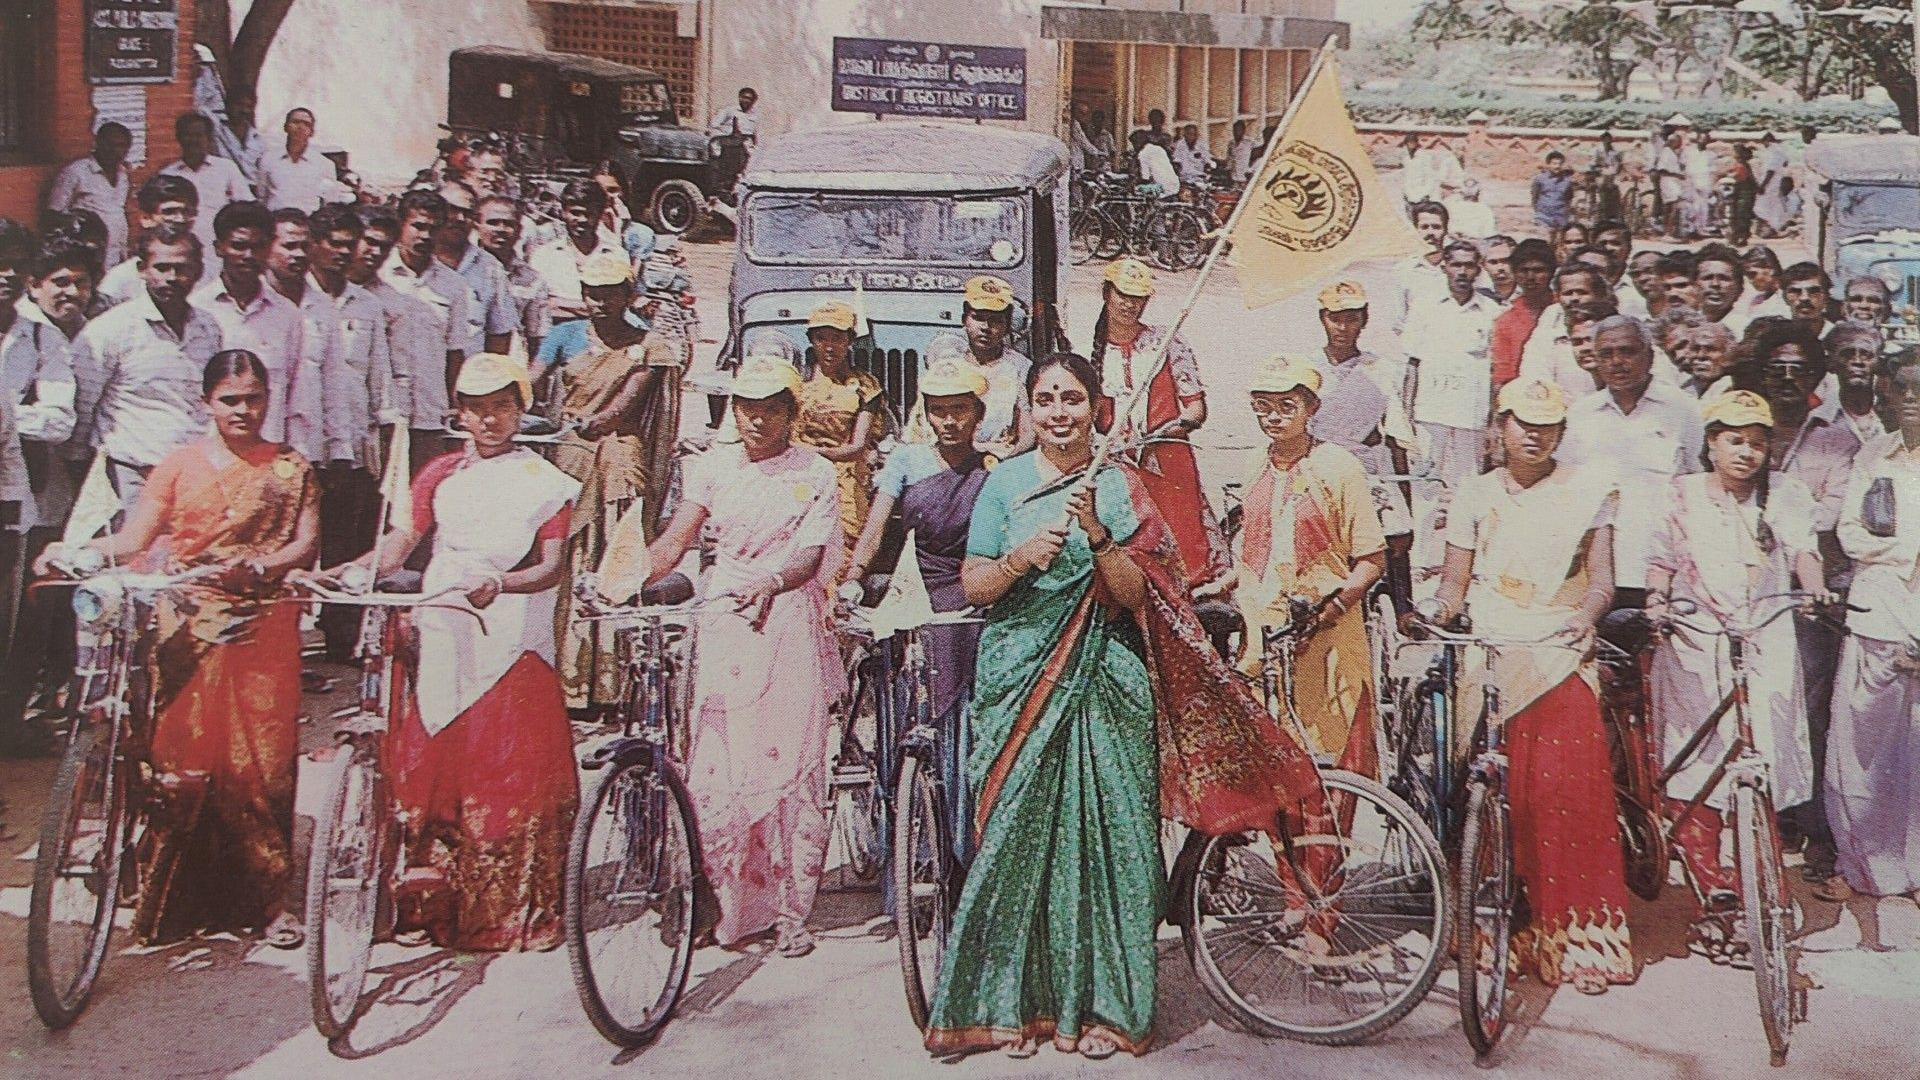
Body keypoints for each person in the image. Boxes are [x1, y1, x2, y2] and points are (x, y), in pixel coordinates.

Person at [925, 351, 1333, 1058]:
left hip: (1106, 679)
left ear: (1097, 408)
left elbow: (1136, 594)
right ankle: (1015, 1005)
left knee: (1114, 843)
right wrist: (1020, 559)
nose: (1059, 413)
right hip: (1019, 675)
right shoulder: (1005, 484)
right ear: (1029, 409)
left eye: (1072, 399)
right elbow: (976, 584)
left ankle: (1107, 1009)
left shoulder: (1119, 486)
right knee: (1017, 838)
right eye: (1046, 399)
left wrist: (1097, 535)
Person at [39, 350, 317, 946]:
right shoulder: (178, 465)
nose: (243, 410)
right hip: (186, 624)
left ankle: (268, 901)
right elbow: (135, 538)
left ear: (269, 400)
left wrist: (263, 565)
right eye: (229, 399)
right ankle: (171, 892)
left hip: (263, 626)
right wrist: (75, 552)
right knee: (179, 760)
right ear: (206, 402)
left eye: (254, 398)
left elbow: (305, 545)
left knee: (260, 763)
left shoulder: (292, 467)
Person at [322, 352, 581, 951]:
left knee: (506, 766)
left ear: (520, 410)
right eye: (477, 409)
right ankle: (430, 899)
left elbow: (551, 567)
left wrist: (501, 583)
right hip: (443, 625)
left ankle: (513, 909)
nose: (490, 420)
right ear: (459, 414)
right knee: (437, 754)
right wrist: (351, 572)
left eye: (502, 407)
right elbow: (402, 542)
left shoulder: (545, 481)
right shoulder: (439, 473)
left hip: (511, 631)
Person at [1427, 378, 1635, 994]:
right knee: (1493, 794)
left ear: (1562, 432)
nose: (1535, 435)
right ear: (1501, 426)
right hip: (1493, 649)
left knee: (1565, 793)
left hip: (1559, 650)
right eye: (1524, 423)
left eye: (1548, 426)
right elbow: (1453, 586)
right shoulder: (1474, 493)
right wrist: (1434, 613)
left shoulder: (1588, 491)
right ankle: (1494, 931)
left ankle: (1577, 941)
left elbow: (1602, 582)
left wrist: (1587, 615)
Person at [642, 355, 843, 956]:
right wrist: (622, 577)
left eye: (771, 409)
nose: (758, 420)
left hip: (785, 619)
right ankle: (721, 908)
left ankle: (789, 914)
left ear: (791, 412)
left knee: (787, 768)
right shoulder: (712, 468)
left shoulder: (815, 472)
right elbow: (676, 540)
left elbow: (809, 555)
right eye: (747, 408)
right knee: (719, 767)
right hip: (724, 620)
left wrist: (773, 583)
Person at [1646, 390, 1820, 914]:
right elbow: (1661, 561)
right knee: (1697, 751)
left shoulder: (1784, 493)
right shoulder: (1681, 494)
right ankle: (1710, 880)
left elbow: (1804, 551)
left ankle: (1759, 881)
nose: (1746, 452)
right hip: (1695, 638)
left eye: (1757, 443)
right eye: (1734, 440)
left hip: (1765, 634)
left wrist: (1814, 589)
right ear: (1711, 443)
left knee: (1760, 748)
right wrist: (1657, 602)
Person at [843, 358, 996, 855]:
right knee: (905, 708)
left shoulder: (993, 469)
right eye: (939, 410)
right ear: (925, 413)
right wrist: (853, 577)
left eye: (960, 410)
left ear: (978, 414)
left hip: (969, 597)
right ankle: (902, 833)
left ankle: (967, 841)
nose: (949, 421)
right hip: (914, 591)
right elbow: (875, 528)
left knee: (970, 720)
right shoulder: (906, 461)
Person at [536, 252, 681, 712]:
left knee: (616, 553)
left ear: (628, 295)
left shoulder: (648, 345)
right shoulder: (563, 336)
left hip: (620, 458)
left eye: (610, 293)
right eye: (592, 293)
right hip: (571, 458)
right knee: (571, 556)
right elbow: (531, 382)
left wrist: (596, 421)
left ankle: (614, 682)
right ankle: (571, 680)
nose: (600, 302)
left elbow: (624, 406)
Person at [1235, 355, 1387, 775]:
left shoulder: (1338, 467)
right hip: (1263, 629)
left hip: (1325, 628)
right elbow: (1255, 549)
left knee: (1327, 752)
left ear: (1311, 408)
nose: (1274, 417)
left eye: (1287, 406)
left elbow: (1372, 559)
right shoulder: (1253, 464)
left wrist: (1332, 608)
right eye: (1264, 406)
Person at [1828, 350, 1920, 919]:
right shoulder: (1872, 455)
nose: (1911, 399)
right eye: (1901, 388)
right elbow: (1850, 534)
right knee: (1863, 745)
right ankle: (1863, 864)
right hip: (1877, 611)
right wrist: (1907, 552)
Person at [1089, 257, 1227, 589]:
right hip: (1116, 462)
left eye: (1138, 297)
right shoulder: (1088, 350)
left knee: (1186, 545)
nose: (1129, 304)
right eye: (1123, 295)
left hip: (1167, 459)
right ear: (1107, 293)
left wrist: (1167, 431)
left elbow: (1196, 409)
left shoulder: (1166, 342)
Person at [302, 203, 397, 662]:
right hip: (302, 442)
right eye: (333, 244)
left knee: (346, 541)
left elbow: (379, 378)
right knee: (296, 543)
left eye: (348, 245)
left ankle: (340, 639)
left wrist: (381, 443)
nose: (342, 253)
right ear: (313, 246)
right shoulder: (295, 301)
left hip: (353, 443)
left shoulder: (369, 306)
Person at [71, 233, 225, 513]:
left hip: (193, 476)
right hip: (130, 475)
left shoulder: (208, 327)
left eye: (182, 269)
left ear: (199, 271)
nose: (171, 278)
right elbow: (84, 405)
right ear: (142, 269)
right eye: (162, 268)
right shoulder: (110, 329)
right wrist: (80, 467)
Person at [1560, 316, 1706, 609]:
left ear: (1650, 356)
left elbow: (1699, 486)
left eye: (1627, 351)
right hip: (1596, 572)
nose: (1617, 362)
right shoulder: (1581, 414)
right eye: (1606, 354)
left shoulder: (1684, 410)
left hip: (1662, 569)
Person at [192, 201, 305, 452]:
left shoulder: (287, 315)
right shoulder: (197, 310)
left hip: (267, 455)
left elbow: (297, 395)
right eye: (239, 246)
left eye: (258, 247)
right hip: (208, 456)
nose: (249, 256)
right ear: (219, 248)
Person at [381, 190, 471, 474]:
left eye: (433, 228)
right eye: (418, 226)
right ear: (401, 225)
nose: (425, 236)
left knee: (425, 486)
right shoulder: (378, 277)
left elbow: (455, 352)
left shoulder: (453, 285)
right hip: (385, 411)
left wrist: (455, 407)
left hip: (430, 412)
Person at [794, 300, 884, 563]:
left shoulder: (865, 387)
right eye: (821, 338)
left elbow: (857, 447)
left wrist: (810, 452)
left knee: (846, 538)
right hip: (798, 471)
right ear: (811, 340)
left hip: (844, 472)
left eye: (837, 338)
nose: (829, 346)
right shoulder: (797, 382)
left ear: (850, 341)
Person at [904, 276, 1031, 456]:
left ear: (1007, 325)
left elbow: (1028, 432)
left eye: (996, 320)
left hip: (998, 458)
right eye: (978, 318)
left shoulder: (1019, 368)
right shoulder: (946, 364)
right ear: (965, 319)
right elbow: (921, 428)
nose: (986, 327)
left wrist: (1004, 459)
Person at [96, 175, 213, 308]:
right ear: (146, 218)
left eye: (187, 212)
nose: (180, 219)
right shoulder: (120, 280)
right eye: (169, 212)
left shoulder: (207, 273)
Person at [433, 181, 515, 357]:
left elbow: (500, 335)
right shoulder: (412, 263)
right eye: (453, 210)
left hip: (469, 370)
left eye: (467, 213)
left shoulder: (490, 268)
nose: (460, 218)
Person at [526, 179, 625, 323]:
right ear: (563, 213)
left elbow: (620, 305)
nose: (582, 220)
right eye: (575, 213)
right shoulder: (543, 256)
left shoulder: (616, 255)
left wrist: (558, 303)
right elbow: (535, 306)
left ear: (600, 215)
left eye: (589, 214)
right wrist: (591, 309)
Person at [1519, 264, 1619, 402]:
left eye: (1582, 292)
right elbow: (1535, 377)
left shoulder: (1618, 328)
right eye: (1567, 293)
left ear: (1599, 294)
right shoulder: (1546, 332)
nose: (1574, 298)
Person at [160, 112, 253, 250]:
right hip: (181, 248)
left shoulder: (226, 168)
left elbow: (246, 206)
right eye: (187, 135)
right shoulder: (168, 175)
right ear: (179, 138)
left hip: (218, 247)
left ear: (209, 138)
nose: (193, 140)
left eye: (198, 135)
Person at [47, 123, 133, 267]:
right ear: (97, 143)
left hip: (117, 257)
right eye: (109, 145)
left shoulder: (123, 173)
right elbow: (53, 214)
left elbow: (118, 212)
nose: (114, 151)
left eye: (121, 146)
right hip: (88, 258)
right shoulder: (76, 171)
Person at [476, 195, 550, 358]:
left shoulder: (532, 280)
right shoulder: (463, 270)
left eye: (508, 224)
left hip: (510, 362)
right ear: (477, 226)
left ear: (519, 231)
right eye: (493, 222)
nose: (501, 229)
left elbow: (538, 336)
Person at [1492, 238, 1557, 388]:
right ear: (1515, 273)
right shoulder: (1505, 322)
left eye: (1538, 270)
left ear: (1551, 272)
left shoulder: (1565, 311)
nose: (1530, 277)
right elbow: (1503, 375)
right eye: (1524, 270)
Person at [259, 108, 348, 212]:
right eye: (295, 122)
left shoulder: (324, 164)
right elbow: (262, 197)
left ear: (312, 132)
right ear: (285, 127)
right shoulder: (268, 158)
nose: (300, 127)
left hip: (308, 220)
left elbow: (329, 202)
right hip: (275, 218)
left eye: (306, 124)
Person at [1695, 244, 1746, 335]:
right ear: (1695, 285)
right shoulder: (1686, 326)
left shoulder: (1745, 329)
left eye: (1724, 278)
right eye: (1707, 277)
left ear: (1739, 288)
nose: (1715, 284)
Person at [1754, 132, 1791, 238]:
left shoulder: (1774, 151)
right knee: (1772, 207)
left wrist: (1763, 185)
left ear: (1767, 141)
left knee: (1763, 207)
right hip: (1774, 183)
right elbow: (1785, 162)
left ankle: (1768, 230)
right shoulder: (1780, 150)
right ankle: (1766, 230)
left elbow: (1771, 170)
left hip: (1770, 184)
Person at [1681, 131, 1716, 240]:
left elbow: (1712, 171)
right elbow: (1683, 165)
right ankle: (1690, 229)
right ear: (1697, 139)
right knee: (1690, 206)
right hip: (1690, 182)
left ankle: (1700, 229)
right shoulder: (1688, 151)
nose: (1702, 141)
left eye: (1705, 140)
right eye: (1701, 139)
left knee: (1702, 207)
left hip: (1703, 182)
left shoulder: (1711, 155)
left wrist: (1711, 186)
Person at [1531, 151, 1575, 237]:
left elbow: (1569, 198)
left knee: (1560, 241)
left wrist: (1566, 213)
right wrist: (1538, 211)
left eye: (1560, 164)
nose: (1557, 166)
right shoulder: (1539, 179)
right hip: (1543, 216)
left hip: (1560, 216)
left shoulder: (1567, 181)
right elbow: (1534, 197)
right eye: (1554, 164)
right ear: (1548, 164)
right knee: (1544, 239)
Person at [1130, 129, 1180, 200]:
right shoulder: (1159, 148)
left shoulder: (1143, 154)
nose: (1134, 147)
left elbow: (1145, 179)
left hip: (1162, 189)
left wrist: (1133, 183)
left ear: (1138, 142)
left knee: (1136, 190)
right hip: (1175, 186)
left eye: (1133, 144)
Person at [1728, 143, 1758, 247]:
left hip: (1744, 193)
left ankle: (1741, 237)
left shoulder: (1742, 166)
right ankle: (1737, 237)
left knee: (1742, 216)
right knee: (1737, 216)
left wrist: (1731, 175)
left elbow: (1742, 178)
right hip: (1741, 193)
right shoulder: (1741, 165)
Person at [1170, 123, 1212, 191]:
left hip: (1199, 178)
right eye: (1189, 134)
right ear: (1184, 135)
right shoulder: (1179, 145)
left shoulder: (1202, 145)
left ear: (1197, 135)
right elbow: (1177, 161)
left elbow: (1207, 162)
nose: (1191, 137)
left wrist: (1207, 174)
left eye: (1194, 134)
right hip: (1184, 178)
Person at [1227, 119, 1258, 186]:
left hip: (1245, 178)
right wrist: (1228, 171)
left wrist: (1252, 170)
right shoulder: (1231, 144)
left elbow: (1257, 157)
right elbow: (1229, 159)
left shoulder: (1250, 142)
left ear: (1244, 131)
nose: (1237, 132)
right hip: (1233, 178)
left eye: (1239, 130)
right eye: (1235, 130)